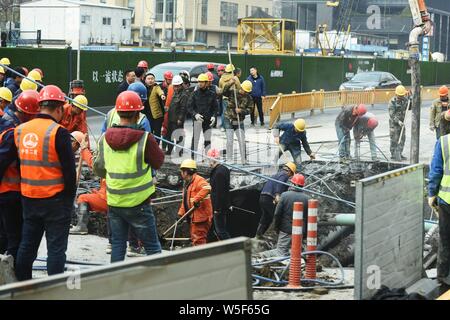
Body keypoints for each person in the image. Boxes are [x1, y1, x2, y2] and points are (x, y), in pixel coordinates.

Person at [93, 90, 164, 262]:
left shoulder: (104, 138)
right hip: (139, 203)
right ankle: (161, 283)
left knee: (118, 245)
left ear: (117, 112)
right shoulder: (145, 138)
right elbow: (158, 162)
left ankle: (116, 283)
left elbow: (99, 169)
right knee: (152, 247)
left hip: (115, 201)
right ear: (138, 114)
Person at [14, 85, 76, 281]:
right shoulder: (59, 132)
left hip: (29, 198)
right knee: (56, 250)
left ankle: (23, 288)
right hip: (55, 200)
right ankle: (55, 289)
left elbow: (18, 164)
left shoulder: (19, 131)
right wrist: (68, 200)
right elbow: (69, 172)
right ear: (59, 109)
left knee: (27, 246)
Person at [0, 90, 40, 261]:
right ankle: (13, 277)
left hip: (9, 191)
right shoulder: (13, 131)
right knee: (13, 237)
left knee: (6, 235)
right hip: (10, 191)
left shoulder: (9, 124)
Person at [428, 132, 450, 287]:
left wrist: (431, 194)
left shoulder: (444, 141)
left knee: (445, 239)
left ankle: (443, 277)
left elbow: (436, 170)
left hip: (446, 200)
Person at [256, 162, 297, 239]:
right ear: (290, 171)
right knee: (277, 216)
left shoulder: (277, 174)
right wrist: (277, 195)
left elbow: (282, 187)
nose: (290, 177)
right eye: (291, 175)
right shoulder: (284, 174)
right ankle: (272, 236)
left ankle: (258, 235)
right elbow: (280, 184)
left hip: (263, 197)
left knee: (266, 217)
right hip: (269, 197)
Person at [272, 174, 309, 257]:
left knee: (281, 252)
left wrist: (276, 228)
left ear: (293, 184)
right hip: (300, 231)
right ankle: (294, 269)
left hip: (285, 229)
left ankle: (285, 268)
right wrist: (305, 233)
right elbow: (308, 219)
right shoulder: (307, 199)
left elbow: (277, 214)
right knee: (296, 253)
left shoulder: (285, 195)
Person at [178, 159, 213, 246]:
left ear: (186, 172)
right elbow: (185, 202)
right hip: (194, 218)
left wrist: (196, 199)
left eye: (182, 171)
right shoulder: (188, 184)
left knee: (199, 241)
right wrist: (180, 215)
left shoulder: (198, 180)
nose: (181, 173)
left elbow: (207, 188)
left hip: (201, 218)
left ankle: (201, 258)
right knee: (195, 239)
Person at [188, 73, 218, 159]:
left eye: (202, 82)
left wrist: (214, 116)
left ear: (206, 83)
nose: (200, 83)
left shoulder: (212, 94)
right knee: (195, 139)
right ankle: (193, 157)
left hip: (208, 120)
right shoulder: (194, 94)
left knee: (207, 139)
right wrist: (195, 114)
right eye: (199, 82)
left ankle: (208, 157)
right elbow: (189, 106)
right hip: (198, 120)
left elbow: (215, 107)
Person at [222, 79, 253, 164]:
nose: (244, 92)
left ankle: (244, 159)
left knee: (242, 140)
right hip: (229, 119)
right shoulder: (233, 92)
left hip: (239, 121)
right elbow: (224, 92)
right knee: (229, 140)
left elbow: (250, 109)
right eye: (244, 90)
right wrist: (230, 83)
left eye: (246, 91)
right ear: (241, 87)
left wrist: (241, 111)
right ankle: (229, 159)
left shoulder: (249, 98)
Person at [208, 148, 231, 240]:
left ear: (213, 160)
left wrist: (217, 209)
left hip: (219, 208)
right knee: (218, 229)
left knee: (221, 230)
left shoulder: (218, 173)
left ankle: (232, 249)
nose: (208, 162)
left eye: (208, 159)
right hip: (223, 205)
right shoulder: (224, 169)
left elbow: (219, 192)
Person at [165, 75, 188, 156]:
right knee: (169, 135)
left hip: (178, 119)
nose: (176, 88)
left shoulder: (184, 95)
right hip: (171, 118)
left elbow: (183, 108)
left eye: (177, 86)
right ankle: (169, 150)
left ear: (181, 85)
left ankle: (179, 151)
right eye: (175, 86)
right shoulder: (175, 93)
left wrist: (180, 119)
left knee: (178, 135)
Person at [389, 85, 409, 161]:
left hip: (402, 124)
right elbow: (392, 115)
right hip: (394, 124)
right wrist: (398, 121)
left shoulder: (405, 100)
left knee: (402, 138)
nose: (401, 97)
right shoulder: (392, 102)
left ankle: (399, 153)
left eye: (402, 95)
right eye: (400, 95)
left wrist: (411, 100)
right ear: (396, 94)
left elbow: (409, 107)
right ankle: (393, 154)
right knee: (394, 139)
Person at [144, 72, 166, 141]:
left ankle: (156, 147)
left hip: (157, 116)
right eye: (148, 79)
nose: (150, 80)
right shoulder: (143, 88)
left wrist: (162, 95)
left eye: (152, 79)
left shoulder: (156, 87)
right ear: (145, 80)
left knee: (157, 133)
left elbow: (160, 91)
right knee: (149, 132)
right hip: (147, 115)